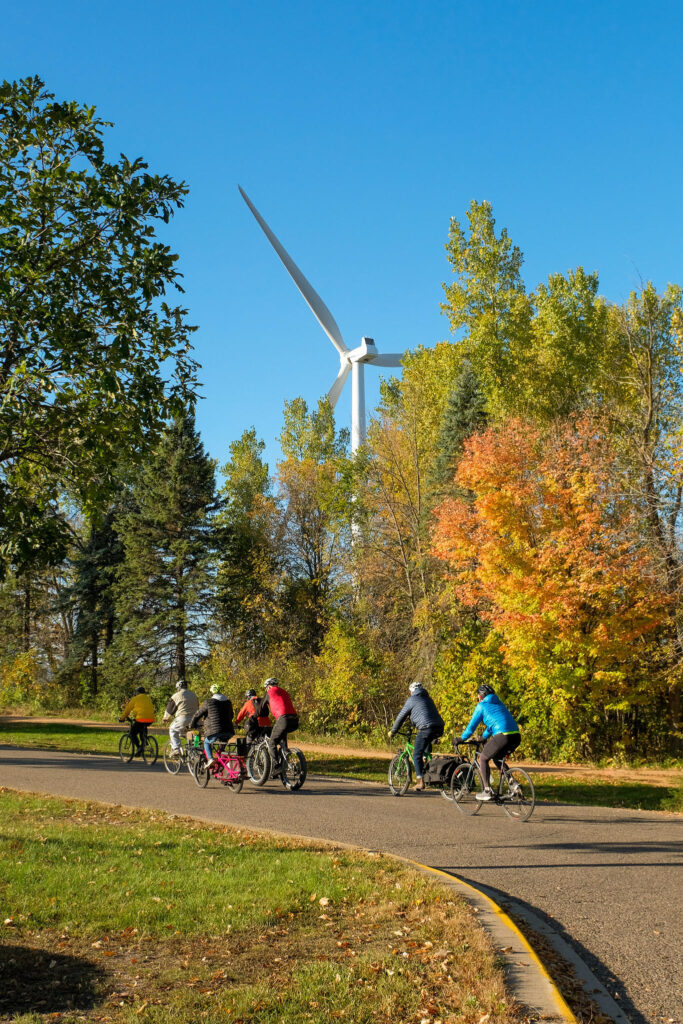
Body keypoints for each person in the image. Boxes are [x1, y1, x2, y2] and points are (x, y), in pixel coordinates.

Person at [458, 684, 521, 800]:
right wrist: (483, 736)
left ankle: (487, 790)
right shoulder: (499, 704)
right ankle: (513, 783)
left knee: (483, 757)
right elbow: (495, 724)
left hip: (503, 735)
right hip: (516, 736)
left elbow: (471, 727)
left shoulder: (481, 706)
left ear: (481, 696)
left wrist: (461, 738)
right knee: (497, 757)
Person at [389, 681, 444, 791]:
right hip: (439, 727)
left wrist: (393, 731)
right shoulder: (428, 699)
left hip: (425, 728)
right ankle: (429, 766)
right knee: (426, 746)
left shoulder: (411, 700)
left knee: (416, 755)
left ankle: (420, 782)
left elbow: (401, 717)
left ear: (412, 691)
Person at [189, 684, 234, 768]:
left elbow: (197, 714)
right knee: (222, 746)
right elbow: (231, 715)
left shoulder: (208, 702)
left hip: (214, 731)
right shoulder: (228, 702)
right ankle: (224, 761)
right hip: (229, 730)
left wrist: (192, 724)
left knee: (206, 742)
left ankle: (210, 759)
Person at [260, 678, 298, 772]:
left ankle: (277, 766)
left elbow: (261, 708)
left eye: (266, 688)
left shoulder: (269, 692)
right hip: (294, 719)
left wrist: (257, 716)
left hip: (283, 718)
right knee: (282, 736)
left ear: (268, 686)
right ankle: (286, 754)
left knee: (272, 741)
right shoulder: (284, 692)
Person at [162, 678, 200, 754]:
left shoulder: (176, 695)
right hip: (196, 719)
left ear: (178, 687)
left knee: (172, 730)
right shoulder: (194, 695)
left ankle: (176, 749)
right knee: (196, 734)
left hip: (183, 718)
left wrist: (165, 718)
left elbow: (170, 709)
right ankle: (196, 747)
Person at [119, 686, 155, 753]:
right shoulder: (148, 698)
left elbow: (127, 710)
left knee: (132, 733)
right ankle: (144, 743)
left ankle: (139, 747)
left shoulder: (135, 698)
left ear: (137, 692)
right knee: (142, 731)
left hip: (141, 719)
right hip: (150, 719)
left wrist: (122, 718)